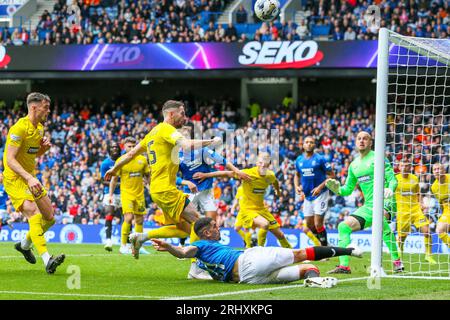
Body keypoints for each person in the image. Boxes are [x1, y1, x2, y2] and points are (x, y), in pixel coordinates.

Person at [105, 100, 245, 279]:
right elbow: (186, 145)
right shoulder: (166, 130)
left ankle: (141, 237)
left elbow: (131, 154)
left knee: (182, 229)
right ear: (171, 114)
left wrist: (115, 168)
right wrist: (211, 140)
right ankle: (196, 268)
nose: (185, 117)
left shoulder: (153, 132)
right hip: (165, 190)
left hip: (160, 189)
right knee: (200, 223)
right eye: (182, 113)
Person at [151, 217, 363, 286]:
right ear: (206, 232)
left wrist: (173, 249)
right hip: (251, 261)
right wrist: (170, 247)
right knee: (300, 254)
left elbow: (189, 259)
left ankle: (313, 281)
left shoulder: (202, 257)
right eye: (215, 226)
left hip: (249, 279)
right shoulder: (201, 246)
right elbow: (184, 251)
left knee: (308, 268)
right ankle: (349, 251)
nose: (218, 228)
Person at [325, 131, 403, 274]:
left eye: (365, 139)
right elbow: (347, 190)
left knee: (380, 222)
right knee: (343, 227)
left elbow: (393, 179)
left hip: (386, 199)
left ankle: (397, 261)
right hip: (369, 205)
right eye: (359, 138)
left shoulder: (379, 158)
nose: (362, 141)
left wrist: (390, 189)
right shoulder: (354, 165)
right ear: (355, 142)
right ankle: (344, 266)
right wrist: (337, 189)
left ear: (371, 142)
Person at [4, 92, 65, 274]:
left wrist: (43, 150)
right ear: (34, 107)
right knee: (33, 212)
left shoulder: (39, 129)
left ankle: (24, 245)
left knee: (50, 218)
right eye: (46, 107)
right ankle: (47, 259)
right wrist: (29, 177)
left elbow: (32, 154)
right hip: (15, 179)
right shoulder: (18, 128)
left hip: (29, 177)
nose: (49, 111)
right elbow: (10, 159)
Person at [194, 153, 292, 249]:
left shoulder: (270, 175)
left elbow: (275, 182)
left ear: (269, 164)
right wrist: (206, 175)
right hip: (247, 210)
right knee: (264, 224)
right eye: (261, 162)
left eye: (265, 163)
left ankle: (291, 253)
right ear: (257, 163)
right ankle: (259, 250)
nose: (263, 165)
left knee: (280, 235)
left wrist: (277, 190)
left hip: (262, 209)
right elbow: (227, 173)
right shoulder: (248, 173)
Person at [177, 125, 249, 222]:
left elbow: (223, 161)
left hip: (206, 191)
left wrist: (237, 170)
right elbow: (172, 177)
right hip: (189, 193)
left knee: (211, 224)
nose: (186, 139)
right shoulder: (177, 156)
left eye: (188, 136)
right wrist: (186, 183)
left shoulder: (202, 150)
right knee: (187, 225)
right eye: (183, 137)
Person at [109, 137, 150, 255]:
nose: (131, 149)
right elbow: (113, 179)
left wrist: (149, 184)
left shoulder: (142, 160)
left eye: (133, 146)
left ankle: (138, 246)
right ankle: (123, 245)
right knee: (128, 218)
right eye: (129, 146)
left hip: (139, 194)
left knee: (140, 220)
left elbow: (148, 175)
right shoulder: (121, 161)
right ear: (124, 147)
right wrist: (110, 195)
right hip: (126, 194)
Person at [294, 136, 335, 246]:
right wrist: (296, 186)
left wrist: (320, 187)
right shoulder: (299, 160)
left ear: (314, 145)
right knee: (309, 225)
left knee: (318, 224)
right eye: (306, 142)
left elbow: (332, 175)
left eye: (311, 142)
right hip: (308, 196)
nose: (309, 144)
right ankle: (324, 243)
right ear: (303, 145)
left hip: (321, 194)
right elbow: (296, 175)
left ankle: (325, 248)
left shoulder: (320, 159)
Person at [395, 160, 436, 264]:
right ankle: (399, 253)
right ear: (399, 167)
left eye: (407, 166)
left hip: (415, 210)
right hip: (402, 211)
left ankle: (428, 256)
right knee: (401, 237)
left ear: (410, 167)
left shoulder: (414, 178)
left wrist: (421, 202)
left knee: (427, 231)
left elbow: (418, 192)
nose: (404, 167)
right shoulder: (395, 179)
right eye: (402, 165)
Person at [101, 141, 122, 252]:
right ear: (109, 150)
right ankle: (108, 240)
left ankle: (126, 242)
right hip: (110, 193)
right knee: (109, 213)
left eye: (116, 147)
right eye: (112, 147)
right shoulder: (105, 164)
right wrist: (117, 184)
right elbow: (103, 181)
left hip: (124, 192)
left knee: (127, 216)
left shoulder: (124, 160)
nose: (115, 149)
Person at [431, 163, 450, 247]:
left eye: (439, 169)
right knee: (439, 230)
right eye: (434, 170)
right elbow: (441, 203)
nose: (437, 171)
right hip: (447, 210)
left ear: (444, 170)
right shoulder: (434, 187)